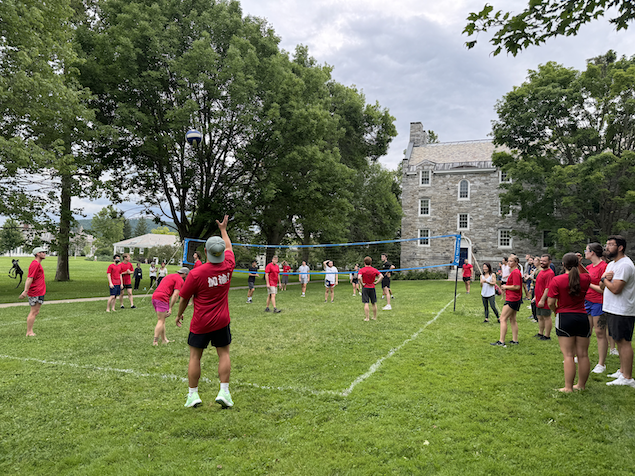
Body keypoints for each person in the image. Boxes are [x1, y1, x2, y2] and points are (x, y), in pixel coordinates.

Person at [177, 216, 236, 408]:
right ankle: (224, 392)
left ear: (205, 252)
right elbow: (229, 248)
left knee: (195, 357)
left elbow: (184, 298)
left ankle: (193, 395)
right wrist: (223, 230)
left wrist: (178, 315)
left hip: (200, 322)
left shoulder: (196, 273)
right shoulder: (228, 265)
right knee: (224, 354)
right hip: (222, 320)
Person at [548, 253, 592, 392]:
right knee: (583, 354)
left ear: (563, 264)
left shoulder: (557, 280)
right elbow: (587, 273)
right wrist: (579, 264)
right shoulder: (585, 278)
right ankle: (581, 385)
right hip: (583, 317)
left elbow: (550, 302)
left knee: (568, 355)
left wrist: (556, 310)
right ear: (578, 264)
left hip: (565, 317)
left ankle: (568, 387)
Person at [600, 235, 635, 387]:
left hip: (622, 309)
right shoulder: (611, 265)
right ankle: (622, 371)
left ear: (620, 247)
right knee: (618, 340)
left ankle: (627, 378)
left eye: (611, 245)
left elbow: (615, 289)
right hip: (612, 308)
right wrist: (604, 279)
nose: (607, 247)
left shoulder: (625, 265)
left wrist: (604, 279)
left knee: (624, 342)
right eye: (607, 244)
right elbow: (602, 287)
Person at [584, 242, 609, 374]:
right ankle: (582, 356)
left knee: (600, 332)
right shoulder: (588, 267)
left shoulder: (604, 267)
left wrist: (588, 284)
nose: (585, 253)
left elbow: (602, 289)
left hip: (599, 303)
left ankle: (601, 364)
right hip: (587, 301)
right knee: (586, 331)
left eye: (586, 250)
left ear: (592, 252)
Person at [152, 267, 189, 345]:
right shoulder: (180, 280)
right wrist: (170, 308)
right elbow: (175, 295)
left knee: (162, 320)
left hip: (155, 296)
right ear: (184, 274)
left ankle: (164, 340)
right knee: (160, 320)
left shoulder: (170, 276)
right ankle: (155, 341)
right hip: (162, 298)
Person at [491, 254, 522, 347]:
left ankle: (501, 341)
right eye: (508, 261)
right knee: (512, 319)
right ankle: (515, 340)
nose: (509, 262)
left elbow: (517, 287)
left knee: (502, 318)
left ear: (516, 263)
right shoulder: (514, 272)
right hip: (514, 298)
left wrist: (505, 286)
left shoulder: (516, 272)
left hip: (513, 298)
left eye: (511, 261)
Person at [18, 247, 47, 337]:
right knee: (33, 311)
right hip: (36, 291)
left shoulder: (37, 264)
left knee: (35, 311)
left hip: (39, 291)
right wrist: (25, 291)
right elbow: (30, 278)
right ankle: (29, 332)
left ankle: (30, 331)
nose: (44, 253)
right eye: (42, 252)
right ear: (37, 254)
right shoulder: (35, 264)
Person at [534, 254, 555, 340]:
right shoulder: (541, 271)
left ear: (549, 262)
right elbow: (539, 285)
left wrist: (542, 300)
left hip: (545, 299)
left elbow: (548, 288)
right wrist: (535, 297)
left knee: (546, 317)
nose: (542, 262)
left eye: (544, 261)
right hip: (538, 298)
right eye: (541, 261)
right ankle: (540, 333)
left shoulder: (550, 273)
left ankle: (547, 335)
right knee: (539, 316)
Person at [358, 256, 383, 321]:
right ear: (371, 263)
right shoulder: (374, 270)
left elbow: (359, 277)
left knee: (366, 303)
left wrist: (362, 283)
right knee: (373, 303)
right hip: (372, 287)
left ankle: (367, 318)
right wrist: (376, 282)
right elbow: (381, 276)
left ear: (364, 263)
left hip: (365, 287)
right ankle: (374, 317)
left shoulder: (362, 270)